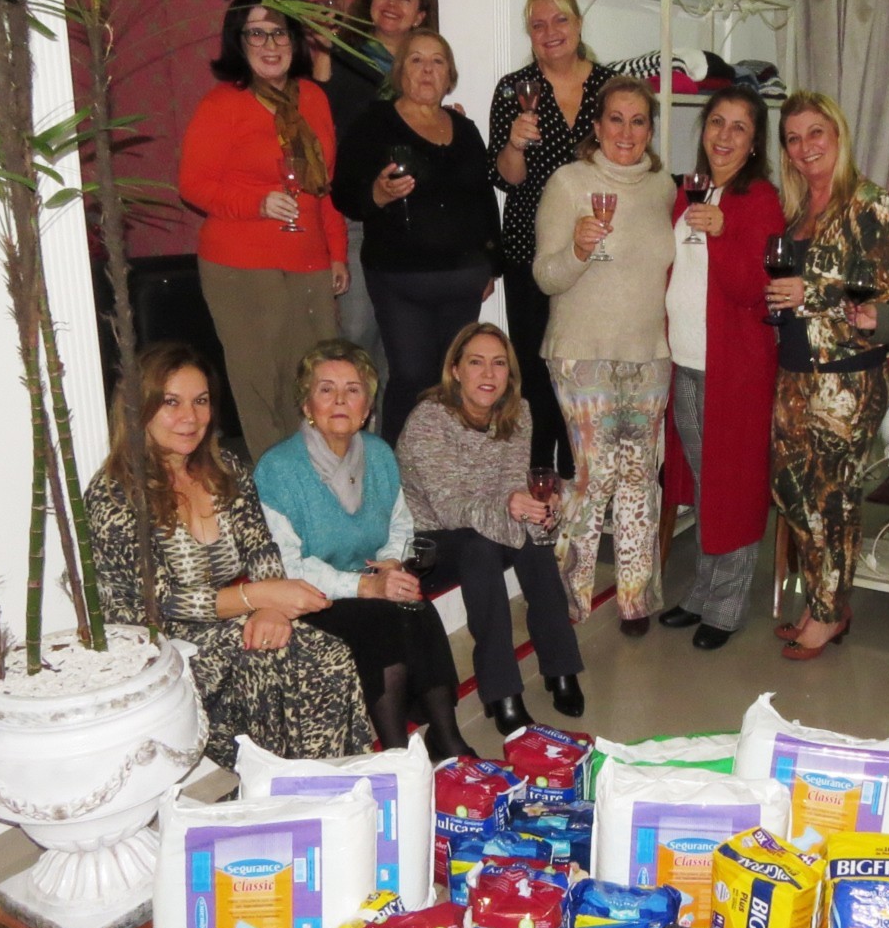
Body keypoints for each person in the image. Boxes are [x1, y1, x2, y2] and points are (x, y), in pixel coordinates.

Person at [86, 343, 372, 770]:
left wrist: (272, 609)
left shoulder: (226, 471)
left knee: (328, 655)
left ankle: (329, 783)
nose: (191, 416)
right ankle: (279, 784)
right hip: (157, 648)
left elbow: (261, 548)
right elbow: (160, 602)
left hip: (230, 623)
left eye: (201, 401)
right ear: (137, 409)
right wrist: (257, 599)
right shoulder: (114, 494)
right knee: (266, 662)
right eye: (171, 402)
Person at [253, 340, 476, 762]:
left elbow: (400, 523)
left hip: (368, 581)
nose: (340, 400)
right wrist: (364, 586)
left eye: (352, 390)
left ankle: (447, 738)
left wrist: (390, 563)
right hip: (308, 596)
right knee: (381, 620)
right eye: (326, 389)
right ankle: (396, 755)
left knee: (416, 607)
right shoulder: (278, 469)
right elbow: (286, 565)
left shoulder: (378, 454)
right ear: (307, 405)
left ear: (367, 406)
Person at [764, 92, 889, 661]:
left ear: (837, 134)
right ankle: (825, 598)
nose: (805, 147)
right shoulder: (798, 208)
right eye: (793, 138)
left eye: (815, 133)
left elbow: (886, 293)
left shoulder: (869, 203)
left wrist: (813, 291)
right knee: (790, 490)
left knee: (834, 499)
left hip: (847, 377)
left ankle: (827, 611)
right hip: (795, 371)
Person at [178, 0, 349, 460]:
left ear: (295, 40)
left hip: (309, 262)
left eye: (279, 33)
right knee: (261, 387)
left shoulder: (313, 98)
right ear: (239, 40)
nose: (270, 45)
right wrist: (257, 203)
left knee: (315, 382)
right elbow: (192, 184)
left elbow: (324, 186)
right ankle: (275, 486)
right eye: (256, 33)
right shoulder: (222, 104)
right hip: (241, 267)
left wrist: (336, 252)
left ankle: (317, 477)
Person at [533, 76, 677, 634]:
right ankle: (567, 599)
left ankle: (635, 598)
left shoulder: (663, 188)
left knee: (641, 476)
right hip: (582, 352)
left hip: (649, 353)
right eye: (615, 119)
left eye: (638, 121)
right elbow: (546, 277)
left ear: (650, 131)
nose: (626, 131)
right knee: (593, 477)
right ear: (596, 126)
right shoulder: (569, 183)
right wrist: (577, 249)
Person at [398, 323, 585, 735]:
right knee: (479, 549)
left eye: (499, 364)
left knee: (533, 541)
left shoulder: (518, 414)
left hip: (484, 524)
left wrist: (538, 511)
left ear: (509, 374)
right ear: (455, 370)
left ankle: (561, 667)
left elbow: (510, 486)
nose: (488, 374)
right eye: (476, 363)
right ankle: (501, 691)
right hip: (431, 536)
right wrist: (510, 508)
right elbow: (448, 509)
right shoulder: (429, 419)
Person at [657, 86, 786, 650]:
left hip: (734, 370)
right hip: (685, 362)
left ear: (755, 142)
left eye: (739, 127)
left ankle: (727, 606)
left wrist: (721, 232)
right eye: (717, 122)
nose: (725, 136)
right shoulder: (690, 189)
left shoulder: (759, 199)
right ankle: (703, 592)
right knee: (709, 484)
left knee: (734, 486)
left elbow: (752, 288)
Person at [332, 29, 501, 443]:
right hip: (400, 279)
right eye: (416, 60)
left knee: (453, 383)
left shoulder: (465, 129)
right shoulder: (374, 123)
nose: (427, 70)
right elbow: (343, 193)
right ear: (400, 72)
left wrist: (492, 266)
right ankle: (395, 469)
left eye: (437, 61)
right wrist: (378, 193)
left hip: (462, 280)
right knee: (411, 377)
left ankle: (444, 467)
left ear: (449, 76)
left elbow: (484, 200)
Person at [489, 0, 617, 477]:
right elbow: (506, 179)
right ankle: (541, 480)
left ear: (578, 25)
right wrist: (515, 145)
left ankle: (581, 480)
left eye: (560, 20)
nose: (550, 32)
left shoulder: (608, 86)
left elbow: (625, 158)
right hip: (530, 247)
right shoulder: (512, 89)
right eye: (538, 25)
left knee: (584, 367)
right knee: (536, 370)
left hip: (592, 248)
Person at [311, 0, 438, 384]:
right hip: (357, 215)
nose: (392, 3)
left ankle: (387, 427)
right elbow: (320, 119)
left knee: (401, 343)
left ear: (419, 15)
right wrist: (323, 52)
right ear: (369, 1)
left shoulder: (423, 68)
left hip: (410, 220)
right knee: (357, 332)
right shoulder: (344, 56)